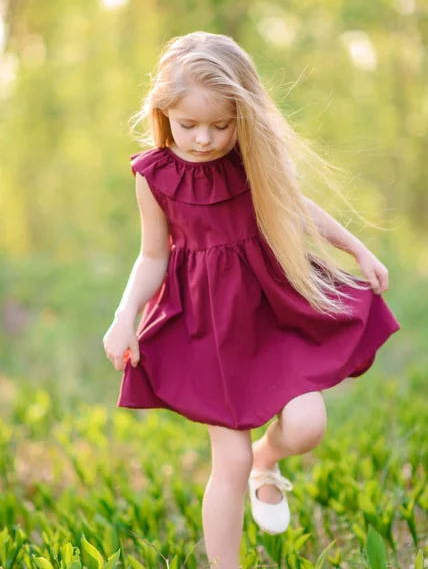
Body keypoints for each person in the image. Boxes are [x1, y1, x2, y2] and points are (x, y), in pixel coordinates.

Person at [103, 31, 401, 569]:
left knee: (307, 427)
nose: (202, 139)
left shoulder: (253, 158)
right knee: (230, 459)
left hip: (273, 308)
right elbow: (152, 256)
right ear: (163, 111)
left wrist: (357, 248)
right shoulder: (155, 177)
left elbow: (297, 209)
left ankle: (271, 459)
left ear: (245, 115)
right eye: (188, 125)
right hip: (209, 325)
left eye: (220, 125)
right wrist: (125, 317)